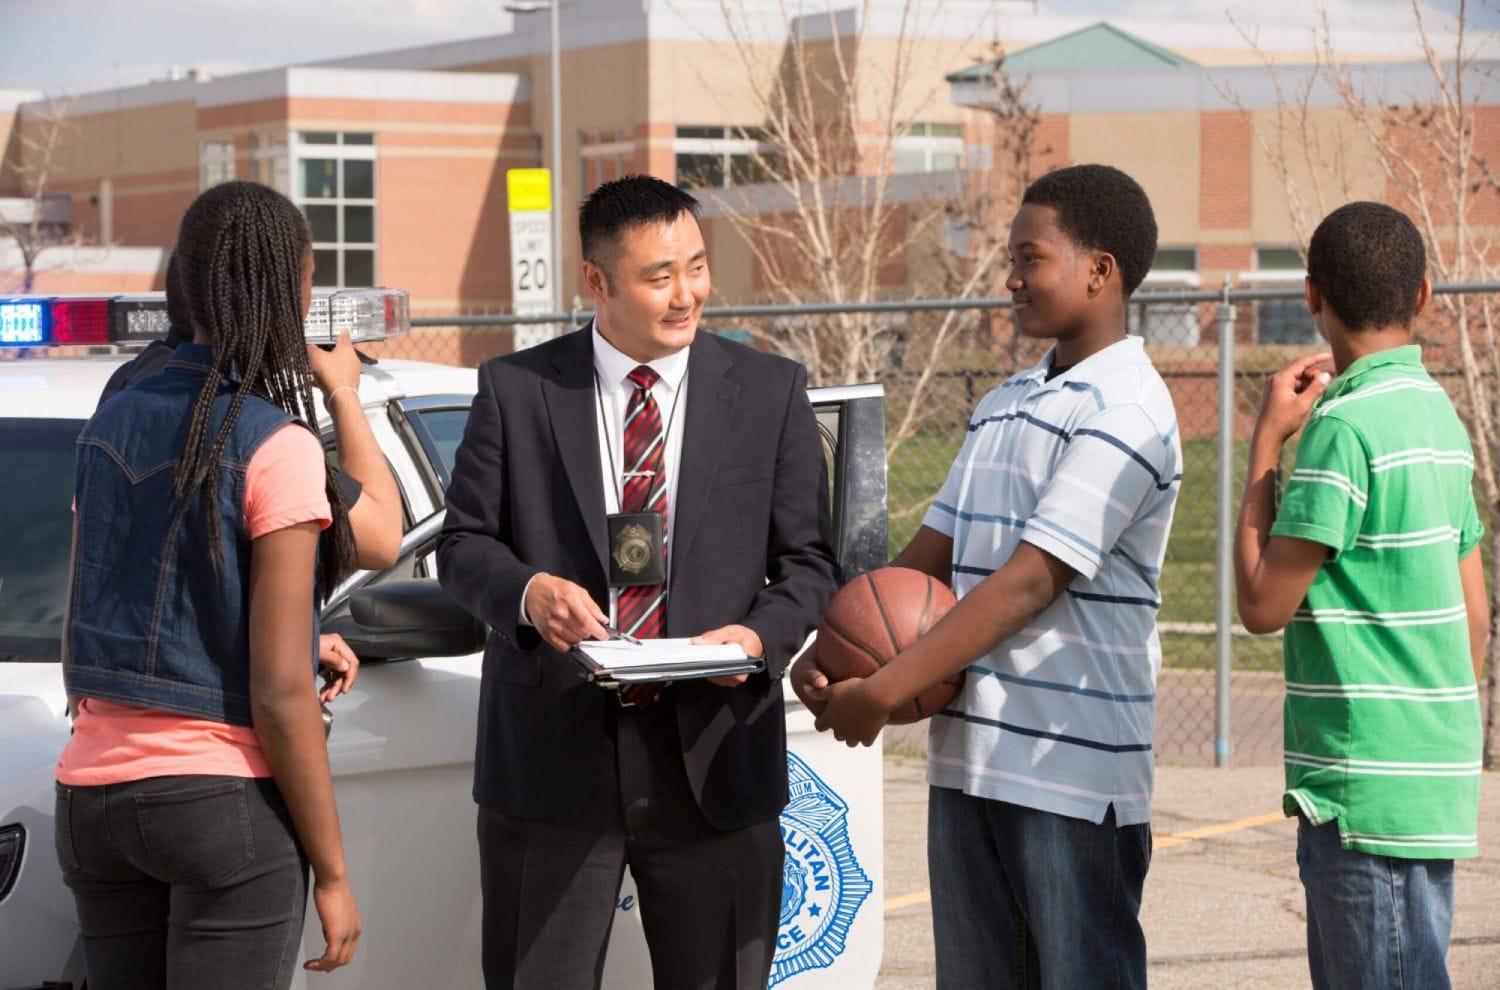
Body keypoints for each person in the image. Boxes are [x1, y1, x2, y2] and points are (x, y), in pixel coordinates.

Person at [437, 174, 838, 989]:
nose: (687, 293)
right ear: (597, 281)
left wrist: (759, 637)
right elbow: (463, 544)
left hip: (714, 756)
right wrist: (527, 593)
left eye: (696, 266)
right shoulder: (517, 390)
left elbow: (810, 564)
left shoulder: (771, 392)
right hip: (553, 763)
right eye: (660, 276)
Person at [799, 164, 1180, 988]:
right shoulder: (1003, 401)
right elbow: (931, 554)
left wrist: (889, 683)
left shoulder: (1130, 409)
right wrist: (833, 647)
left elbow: (1031, 582)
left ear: (1099, 270)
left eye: (1029, 257)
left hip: (1069, 776)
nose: (1010, 277)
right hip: (969, 759)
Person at [57, 180, 364, 987]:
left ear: (181, 284)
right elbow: (282, 694)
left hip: (90, 797)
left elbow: (121, 594)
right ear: (288, 292)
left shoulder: (110, 418)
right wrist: (332, 875)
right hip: (220, 804)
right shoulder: (275, 442)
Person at [1234, 201, 1487, 990]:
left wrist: (1265, 448)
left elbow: (1262, 605)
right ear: (1423, 295)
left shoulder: (1340, 430)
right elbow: (1472, 612)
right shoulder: (1440, 417)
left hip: (1361, 788)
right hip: (1429, 775)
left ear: (1312, 295)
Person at [98, 251, 403, 571]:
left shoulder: (121, 398)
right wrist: (344, 394)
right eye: (307, 282)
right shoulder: (253, 428)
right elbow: (379, 540)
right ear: (276, 300)